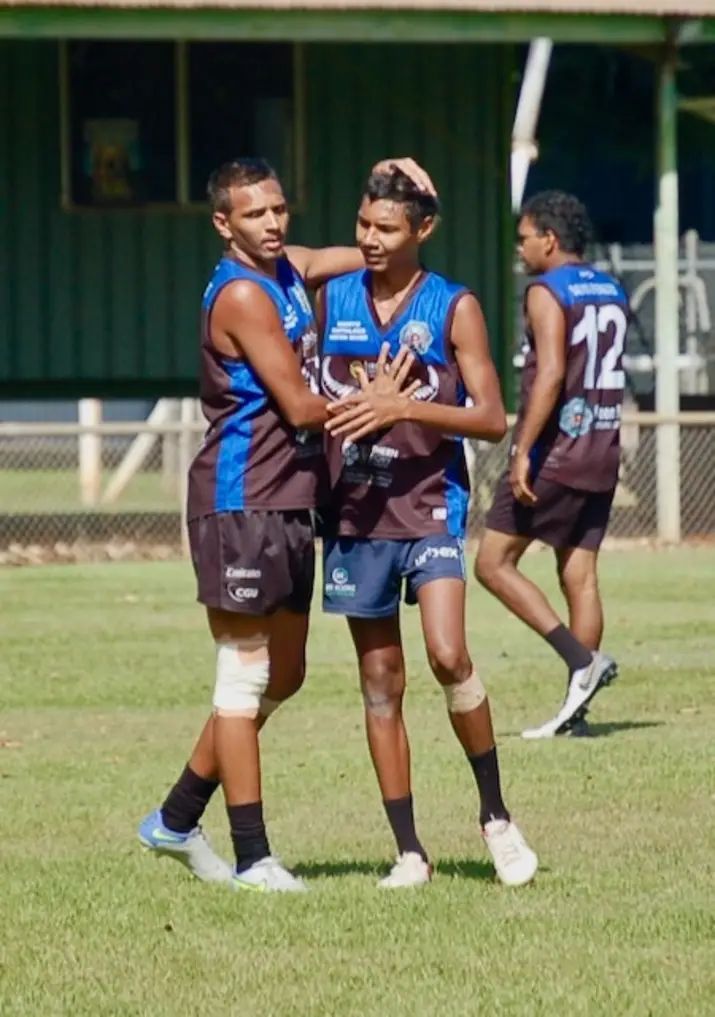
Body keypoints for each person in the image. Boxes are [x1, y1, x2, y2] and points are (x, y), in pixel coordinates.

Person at [138, 156, 427, 893]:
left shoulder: (288, 267)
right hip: (239, 502)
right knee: (242, 679)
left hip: (290, 500)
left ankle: (174, 816)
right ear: (222, 223)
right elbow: (300, 407)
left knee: (287, 671)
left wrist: (404, 193)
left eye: (277, 209)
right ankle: (252, 854)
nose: (271, 223)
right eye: (254, 213)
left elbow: (368, 251)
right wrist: (388, 405)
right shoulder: (241, 294)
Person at [321, 167, 538, 889]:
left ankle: (496, 816)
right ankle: (409, 850)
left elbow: (489, 416)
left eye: (386, 228)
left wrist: (403, 408)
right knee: (380, 681)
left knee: (448, 654)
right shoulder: (332, 298)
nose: (370, 239)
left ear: (423, 230)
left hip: (429, 504)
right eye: (362, 224)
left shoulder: (453, 306)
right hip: (355, 513)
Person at [474, 190, 628, 740]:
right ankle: (577, 709)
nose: (520, 248)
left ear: (550, 239)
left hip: (559, 450)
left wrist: (521, 450)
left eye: (524, 237)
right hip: (604, 446)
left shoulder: (546, 290)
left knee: (492, 564)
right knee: (578, 572)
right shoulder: (610, 287)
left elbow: (552, 374)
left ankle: (581, 660)